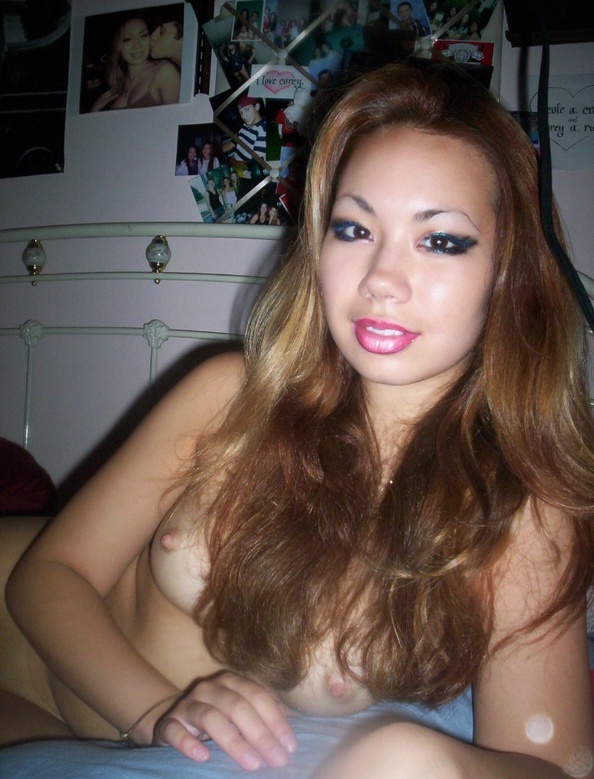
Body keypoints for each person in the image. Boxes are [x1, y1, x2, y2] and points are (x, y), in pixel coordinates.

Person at [1, 63, 593, 779]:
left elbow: (553, 762)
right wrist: (159, 712)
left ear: (509, 271)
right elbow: (46, 576)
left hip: (55, 730)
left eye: (440, 240)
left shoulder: (520, 515)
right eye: (354, 228)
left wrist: (423, 760)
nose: (381, 279)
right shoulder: (232, 396)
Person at [90, 15, 180, 111]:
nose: (137, 45)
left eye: (143, 36)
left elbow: (178, 117)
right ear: (118, 45)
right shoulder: (112, 91)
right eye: (127, 39)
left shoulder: (165, 72)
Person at [223, 95, 267, 164]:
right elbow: (233, 143)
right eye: (241, 112)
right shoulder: (245, 125)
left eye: (247, 109)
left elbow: (255, 164)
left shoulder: (263, 130)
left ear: (257, 107)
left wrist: (232, 162)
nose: (243, 116)